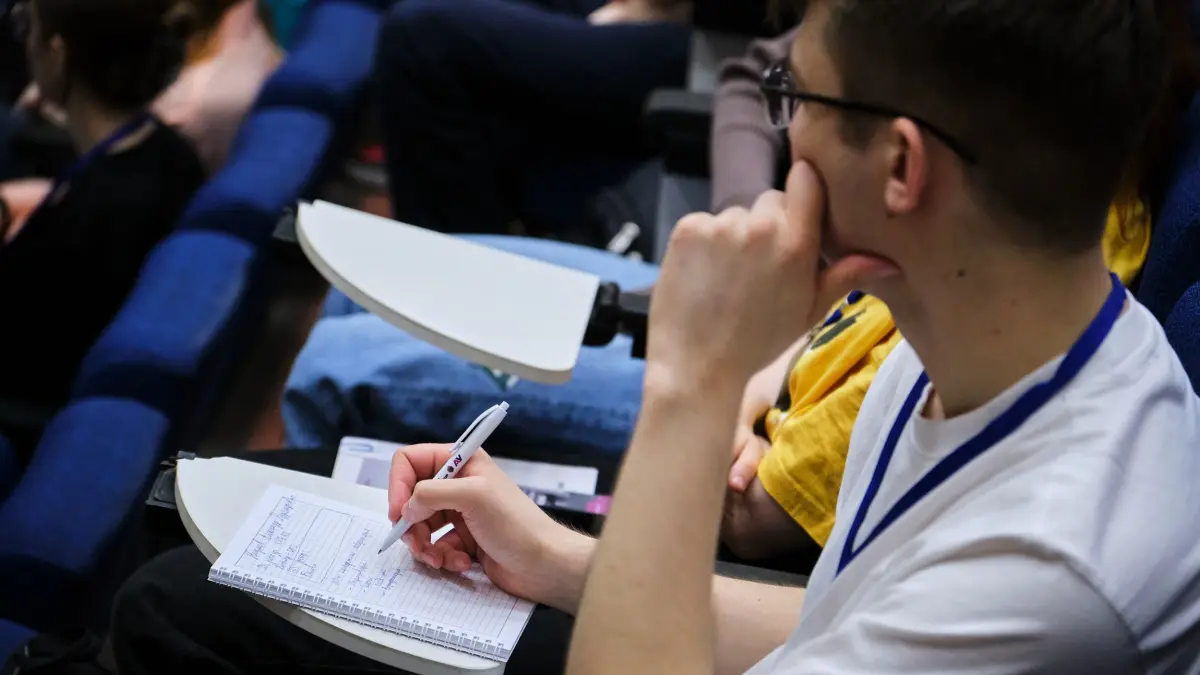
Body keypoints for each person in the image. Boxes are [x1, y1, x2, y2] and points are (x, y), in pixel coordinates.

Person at [111, 0, 1200, 673]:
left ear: (902, 167)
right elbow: (831, 621)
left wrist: (695, 375)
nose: (782, 126)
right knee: (236, 538)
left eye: (795, 95)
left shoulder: (1052, 570)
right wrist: (553, 561)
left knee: (180, 609)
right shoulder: (982, 330)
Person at [0, 0, 206, 457]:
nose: (25, 43)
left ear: (57, 54)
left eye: (28, 27)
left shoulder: (93, 220)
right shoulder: (168, 151)